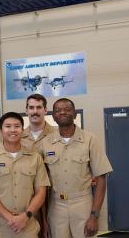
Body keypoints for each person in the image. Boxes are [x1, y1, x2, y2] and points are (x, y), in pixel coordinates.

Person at [41, 98, 112, 238]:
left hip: (83, 204)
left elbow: (102, 179)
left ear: (74, 114)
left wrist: (94, 215)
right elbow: (41, 184)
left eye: (67, 109)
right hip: (56, 206)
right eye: (58, 110)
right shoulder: (45, 143)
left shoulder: (90, 140)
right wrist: (44, 219)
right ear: (53, 116)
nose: (62, 112)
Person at [0, 112, 50, 238]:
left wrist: (25, 216)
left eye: (17, 126)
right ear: (1, 130)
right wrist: (10, 217)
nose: (12, 130)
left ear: (22, 130)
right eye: (8, 126)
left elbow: (41, 193)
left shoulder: (35, 158)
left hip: (28, 226)